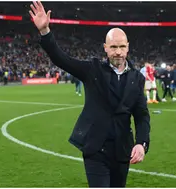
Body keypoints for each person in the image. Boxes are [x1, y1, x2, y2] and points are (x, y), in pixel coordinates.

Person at [29, 1, 151, 187]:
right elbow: (61, 59)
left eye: (121, 47)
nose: (118, 52)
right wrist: (45, 31)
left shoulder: (137, 78)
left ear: (128, 47)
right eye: (113, 47)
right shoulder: (92, 70)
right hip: (96, 149)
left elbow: (142, 116)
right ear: (105, 48)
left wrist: (141, 143)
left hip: (122, 150)